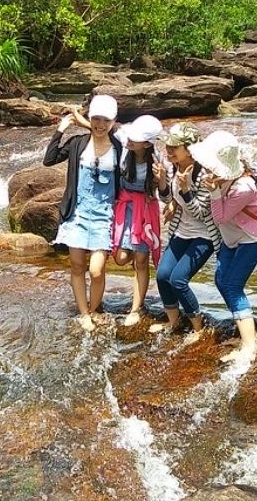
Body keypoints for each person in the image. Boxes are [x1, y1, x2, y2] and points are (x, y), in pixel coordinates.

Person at [189, 130, 257, 364]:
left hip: (253, 238)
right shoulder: (221, 179)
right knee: (221, 280)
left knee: (232, 285)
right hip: (233, 237)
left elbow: (220, 216)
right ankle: (248, 334)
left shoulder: (244, 187)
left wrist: (214, 192)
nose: (206, 169)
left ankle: (249, 345)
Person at [44, 93, 123, 332]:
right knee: (77, 267)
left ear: (113, 121)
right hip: (77, 213)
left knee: (96, 270)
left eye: (105, 120)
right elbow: (49, 160)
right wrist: (61, 129)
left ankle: (95, 306)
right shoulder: (78, 143)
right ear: (91, 117)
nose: (100, 125)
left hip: (105, 215)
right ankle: (85, 313)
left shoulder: (119, 146)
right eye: (95, 119)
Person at [150, 122, 222, 340]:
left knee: (178, 280)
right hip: (181, 230)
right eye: (168, 146)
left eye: (174, 147)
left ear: (189, 149)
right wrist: (162, 181)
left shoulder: (204, 174)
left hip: (205, 235)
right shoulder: (172, 167)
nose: (168, 151)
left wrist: (185, 189)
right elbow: (166, 199)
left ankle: (198, 328)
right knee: (163, 275)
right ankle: (173, 322)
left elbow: (201, 212)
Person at [110, 114, 164, 327]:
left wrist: (162, 182)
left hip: (145, 213)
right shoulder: (124, 146)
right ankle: (134, 249)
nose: (130, 140)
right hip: (125, 208)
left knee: (141, 261)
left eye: (136, 138)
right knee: (121, 258)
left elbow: (166, 196)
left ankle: (136, 308)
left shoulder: (157, 161)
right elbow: (103, 128)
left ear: (148, 143)